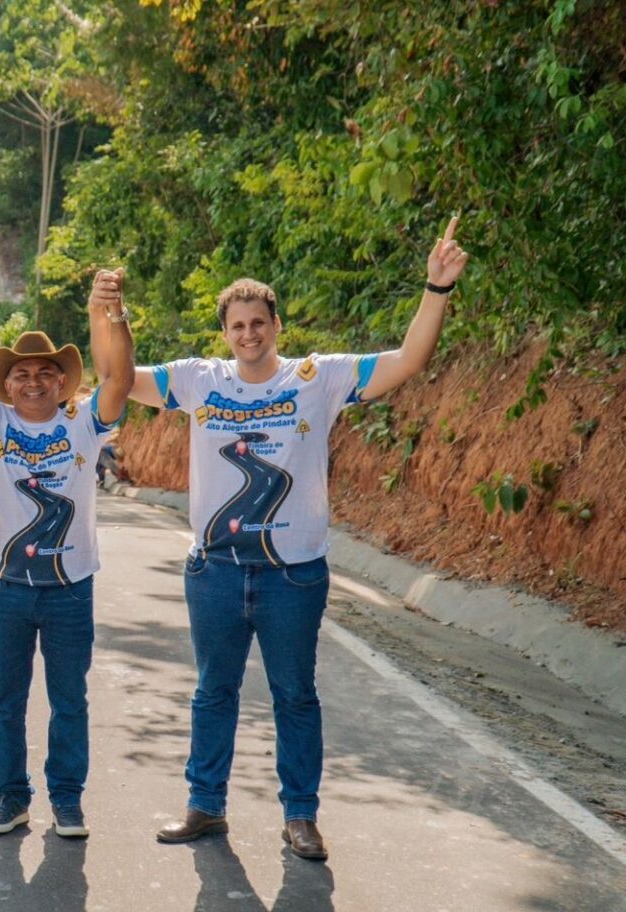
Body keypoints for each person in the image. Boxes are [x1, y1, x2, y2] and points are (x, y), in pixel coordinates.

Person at [135, 217, 470, 860]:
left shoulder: (318, 379)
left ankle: (301, 817)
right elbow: (121, 379)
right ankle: (205, 807)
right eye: (237, 325)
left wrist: (436, 289)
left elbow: (409, 361)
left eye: (259, 322)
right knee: (213, 690)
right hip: (217, 570)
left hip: (294, 572)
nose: (249, 333)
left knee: (295, 693)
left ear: (276, 326)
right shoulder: (200, 380)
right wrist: (109, 314)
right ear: (225, 333)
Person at [0, 254, 135, 838]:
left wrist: (113, 312)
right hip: (5, 588)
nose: (32, 381)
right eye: (21, 374)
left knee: (69, 699)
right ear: (7, 383)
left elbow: (120, 378)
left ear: (60, 381)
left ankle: (67, 800)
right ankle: (10, 796)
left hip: (71, 587)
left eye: (44, 373)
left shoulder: (83, 424)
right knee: (6, 699)